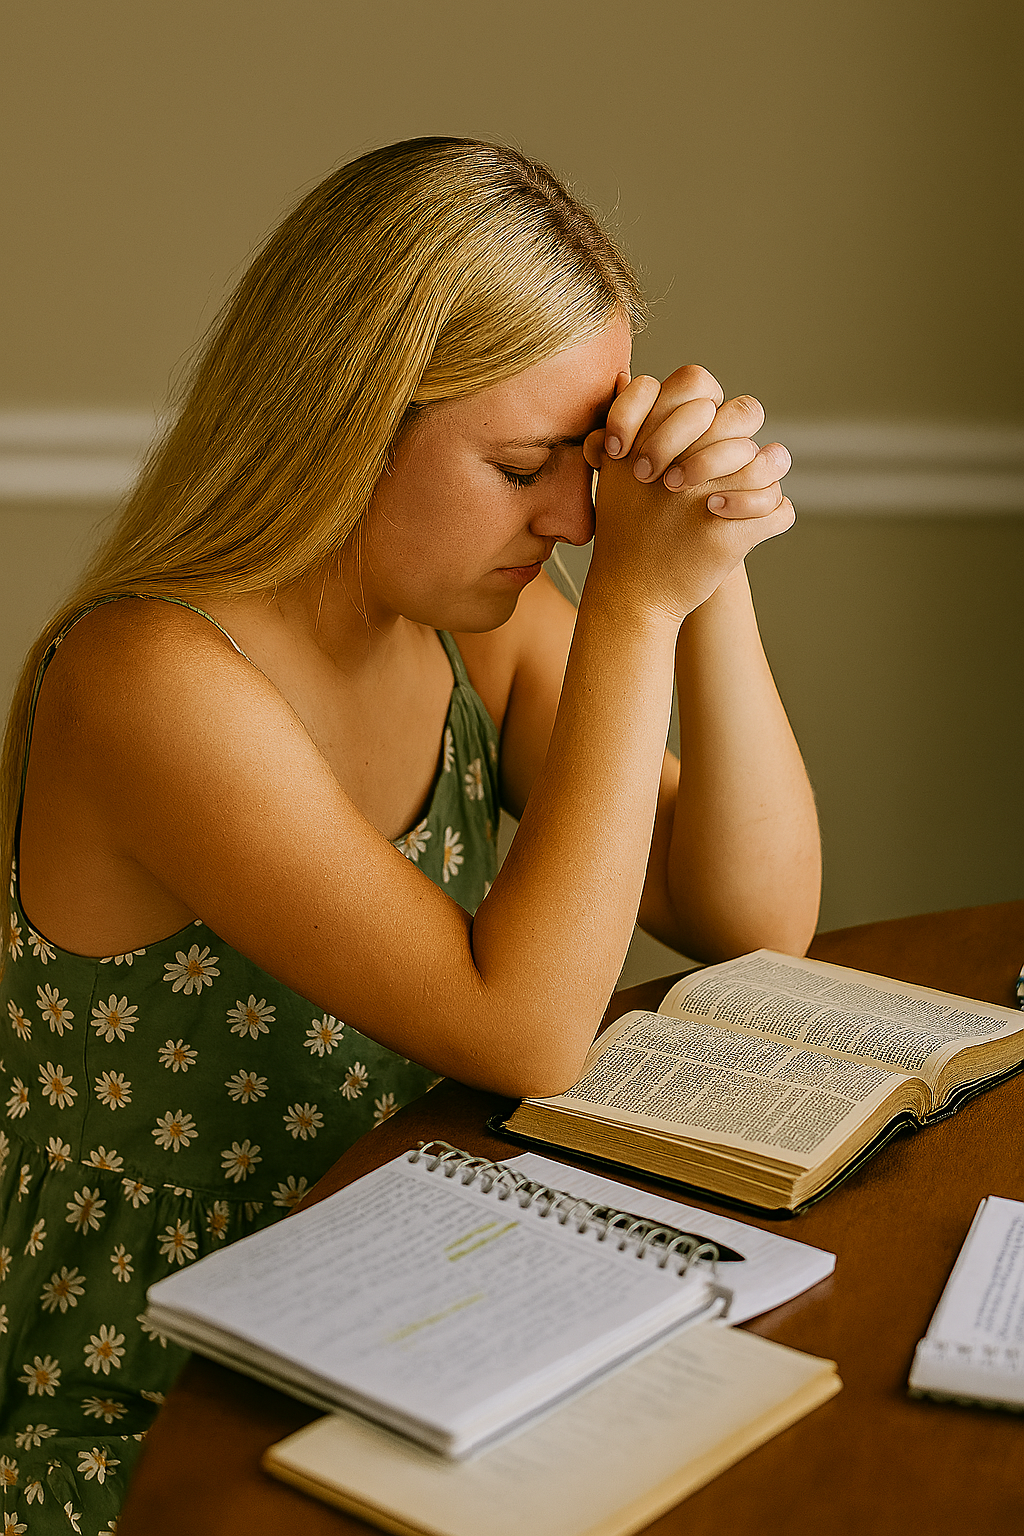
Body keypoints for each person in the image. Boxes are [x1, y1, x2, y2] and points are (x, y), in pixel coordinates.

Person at [0, 136, 820, 1528]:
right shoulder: (150, 682)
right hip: (155, 1373)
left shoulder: (464, 631)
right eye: (523, 466)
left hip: (404, 1296)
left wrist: (704, 562)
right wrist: (629, 602)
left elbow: (753, 919)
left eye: (592, 463)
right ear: (342, 423)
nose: (570, 516)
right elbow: (526, 1031)